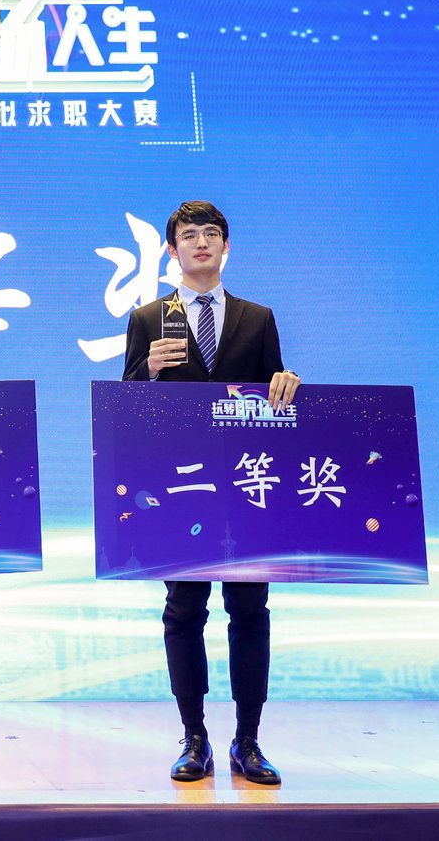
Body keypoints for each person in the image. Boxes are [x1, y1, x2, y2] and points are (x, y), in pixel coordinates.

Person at [121, 201, 300, 786]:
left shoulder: (258, 317)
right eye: (189, 235)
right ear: (172, 250)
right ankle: (193, 737)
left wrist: (287, 381)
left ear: (226, 246)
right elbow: (126, 409)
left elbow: (275, 401)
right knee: (184, 610)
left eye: (212, 234)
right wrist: (146, 371)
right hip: (181, 489)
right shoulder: (149, 318)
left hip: (246, 487)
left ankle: (248, 740)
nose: (201, 242)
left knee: (249, 610)